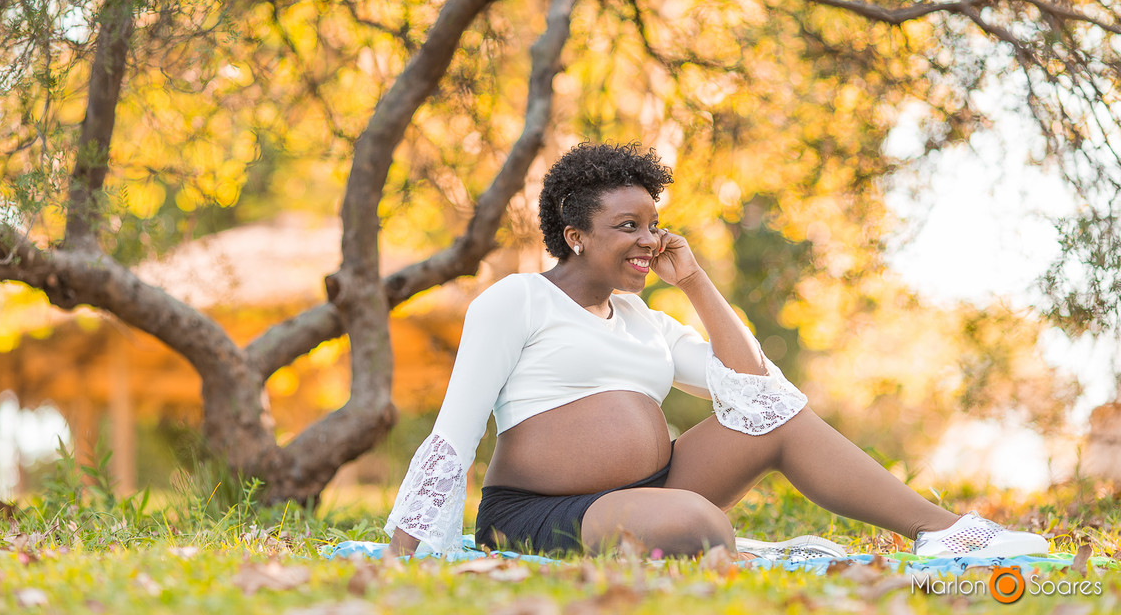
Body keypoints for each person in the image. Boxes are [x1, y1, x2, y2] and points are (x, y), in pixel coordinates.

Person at [384, 142, 1049, 559]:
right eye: (627, 226)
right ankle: (693, 533)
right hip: (538, 512)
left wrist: (696, 282)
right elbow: (455, 433)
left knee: (778, 421)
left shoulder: (645, 319)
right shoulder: (518, 300)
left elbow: (759, 391)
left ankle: (944, 531)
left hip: (655, 488)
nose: (649, 241)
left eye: (653, 224)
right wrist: (405, 553)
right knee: (695, 526)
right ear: (575, 235)